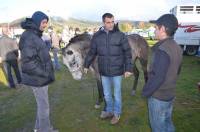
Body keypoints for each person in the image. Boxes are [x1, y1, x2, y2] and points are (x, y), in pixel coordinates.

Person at [84, 13, 133, 125]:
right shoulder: (97, 36)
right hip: (104, 70)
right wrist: (86, 65)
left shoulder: (120, 35)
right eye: (108, 22)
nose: (111, 24)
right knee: (106, 94)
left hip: (117, 71)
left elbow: (127, 52)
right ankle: (109, 111)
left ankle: (117, 113)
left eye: (112, 22)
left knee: (116, 94)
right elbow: (92, 52)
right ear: (103, 23)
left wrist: (128, 68)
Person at [142, 14, 183, 132]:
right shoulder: (177, 47)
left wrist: (146, 92)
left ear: (163, 29)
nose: (154, 30)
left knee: (158, 127)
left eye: (156, 27)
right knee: (167, 122)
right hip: (170, 94)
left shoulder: (162, 50)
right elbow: (178, 70)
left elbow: (157, 77)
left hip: (158, 97)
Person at [19, 11, 57, 132]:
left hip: (39, 78)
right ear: (36, 21)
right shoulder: (30, 36)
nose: (45, 25)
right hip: (37, 79)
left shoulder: (34, 34)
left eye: (46, 22)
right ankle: (46, 130)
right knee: (44, 107)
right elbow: (29, 63)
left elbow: (37, 55)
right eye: (43, 22)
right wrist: (45, 73)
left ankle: (37, 128)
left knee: (41, 105)